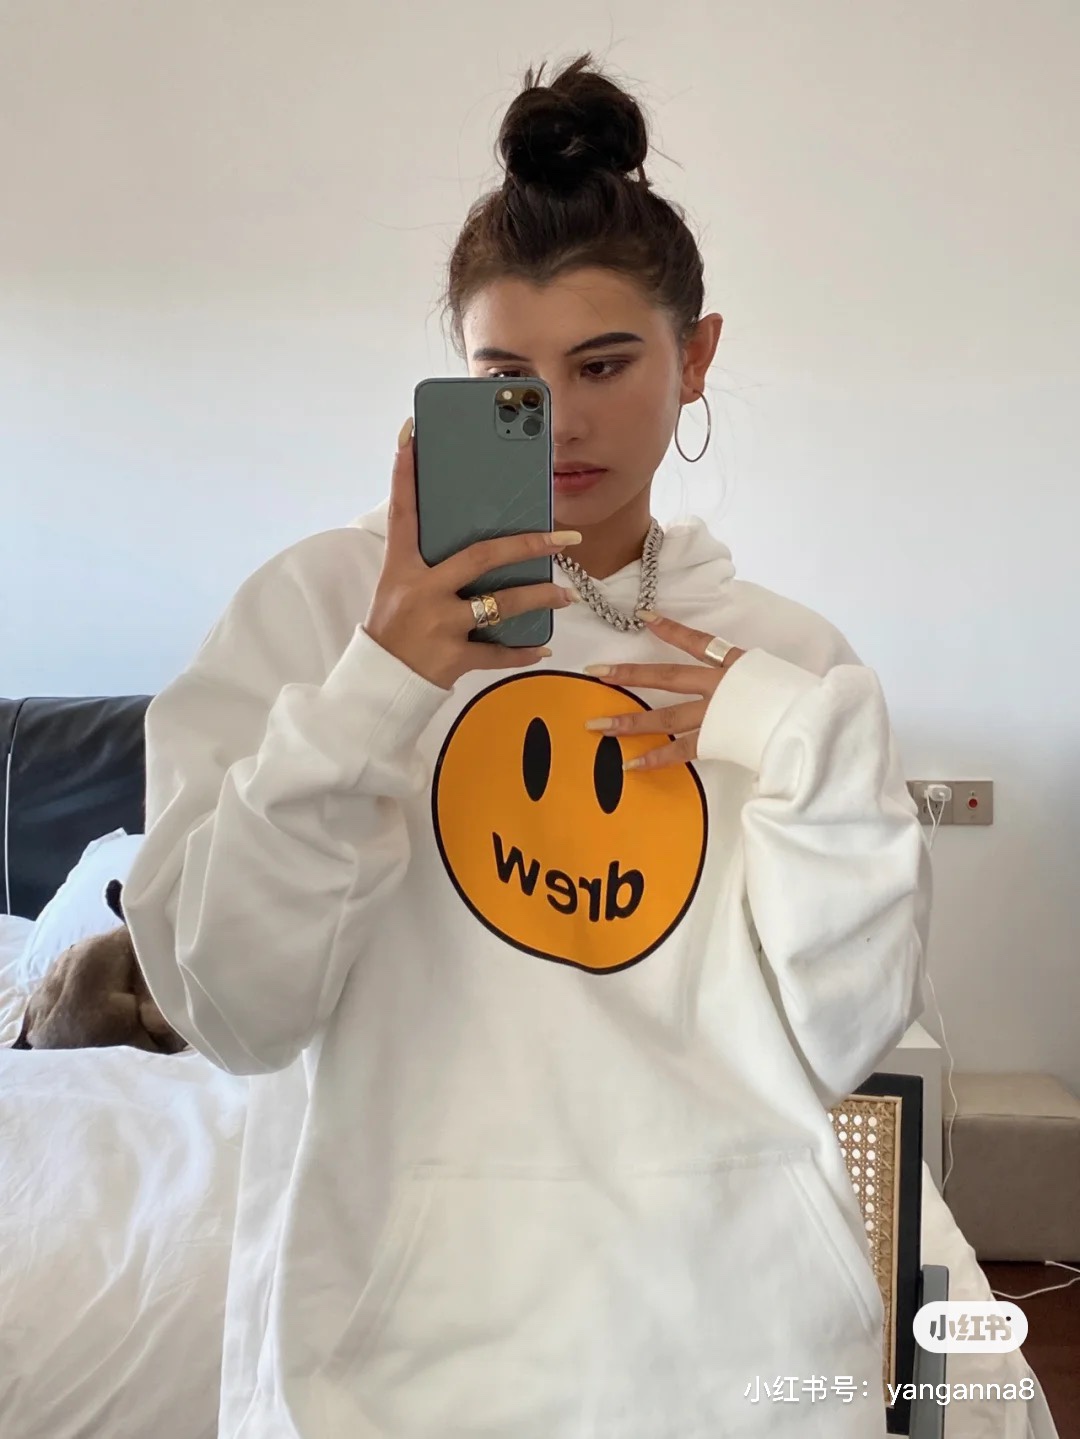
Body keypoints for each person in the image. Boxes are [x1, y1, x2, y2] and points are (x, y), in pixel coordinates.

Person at [122, 52, 931, 1439]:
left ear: (698, 357)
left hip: (735, 1361)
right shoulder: (318, 615)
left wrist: (786, 733)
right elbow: (229, 1009)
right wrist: (378, 685)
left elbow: (846, 1034)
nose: (563, 418)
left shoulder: (786, 662)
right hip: (394, 1377)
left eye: (605, 363)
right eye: (508, 378)